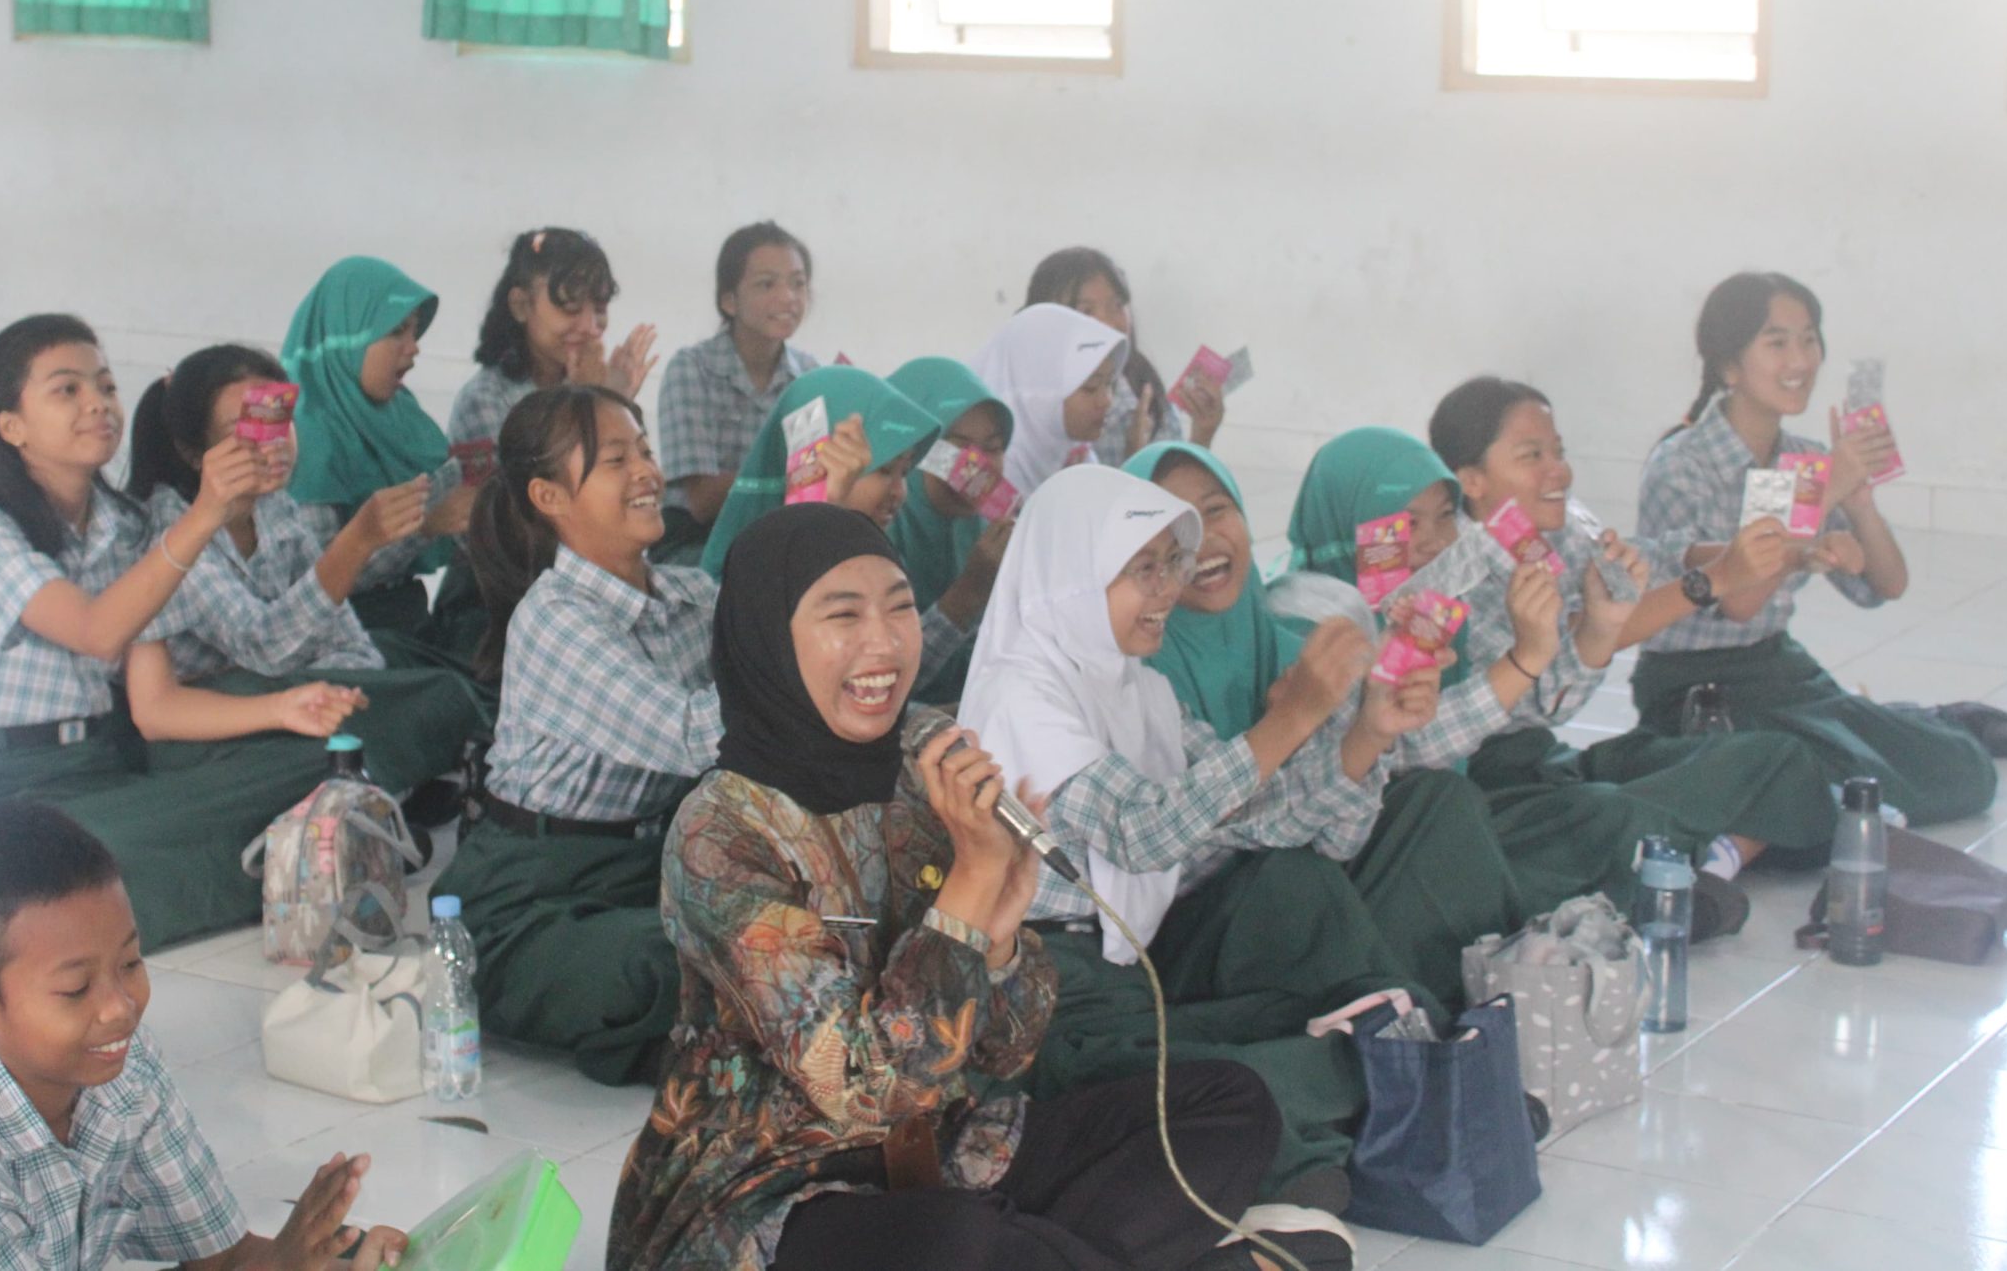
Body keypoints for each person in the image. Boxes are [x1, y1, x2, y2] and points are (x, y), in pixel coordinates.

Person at [609, 502, 1282, 1271]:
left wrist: (998, 939)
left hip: (940, 1151)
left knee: (1230, 1104)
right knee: (959, 1244)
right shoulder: (723, 833)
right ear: (769, 637)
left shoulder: (922, 774)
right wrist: (969, 884)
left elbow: (1002, 1052)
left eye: (900, 608)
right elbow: (861, 1087)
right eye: (844, 615)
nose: (885, 643)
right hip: (774, 1197)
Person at [964, 466, 1451, 1264]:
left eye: (1169, 564)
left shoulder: (1143, 690)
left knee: (1296, 887)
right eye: (1139, 569)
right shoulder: (1024, 694)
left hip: (1141, 963)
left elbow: (1244, 821)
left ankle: (1359, 1092)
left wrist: (1365, 735)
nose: (1164, 590)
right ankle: (1364, 1100)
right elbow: (1143, 832)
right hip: (1052, 991)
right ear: (1074, 574)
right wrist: (1291, 717)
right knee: (1183, 1081)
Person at [0, 314, 335, 953]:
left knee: (316, 761)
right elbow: (95, 631)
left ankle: (84, 898)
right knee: (81, 857)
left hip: (98, 773)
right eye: (67, 390)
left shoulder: (125, 527)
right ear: (11, 425)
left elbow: (157, 707)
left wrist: (282, 708)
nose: (98, 405)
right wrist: (205, 515)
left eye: (105, 388)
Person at [1284, 426, 1783, 928]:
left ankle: (1652, 886)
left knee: (1633, 811)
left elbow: (1544, 704)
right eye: (1407, 524)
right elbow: (1411, 745)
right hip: (1381, 839)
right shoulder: (1307, 624)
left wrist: (1598, 627)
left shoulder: (1439, 601)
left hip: (1474, 800)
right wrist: (1528, 656)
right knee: (1524, 825)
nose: (1434, 542)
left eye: (1443, 518)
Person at [0, 801, 410, 1270]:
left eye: (130, 963)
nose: (120, 1007)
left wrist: (309, 1255)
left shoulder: (123, 1066)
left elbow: (220, 1259)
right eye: (75, 989)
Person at [1127, 441, 1525, 1008]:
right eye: (1165, 527)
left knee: (1440, 802)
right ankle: (1411, 1023)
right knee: (1293, 879)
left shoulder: (1295, 648)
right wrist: (1299, 719)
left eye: (1215, 510)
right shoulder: (1138, 680)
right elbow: (1228, 839)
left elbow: (1342, 838)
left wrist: (1370, 731)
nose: (1201, 540)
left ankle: (1491, 997)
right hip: (1194, 935)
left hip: (1311, 903)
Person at [1632, 273, 2007, 825]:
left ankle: (1922, 724)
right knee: (1813, 787)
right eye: (1777, 342)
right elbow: (1738, 603)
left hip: (1780, 669)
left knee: (1965, 772)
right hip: (1697, 689)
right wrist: (1825, 493)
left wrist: (1858, 501)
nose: (1800, 359)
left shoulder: (1804, 458)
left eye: (1809, 339)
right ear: (1728, 365)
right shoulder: (1681, 465)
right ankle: (1894, 725)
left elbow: (1887, 586)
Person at [1428, 376, 1841, 888]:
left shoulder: (1547, 533)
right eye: (1531, 455)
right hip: (1490, 786)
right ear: (1472, 480)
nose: (1559, 470)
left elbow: (1644, 557)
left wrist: (1759, 555)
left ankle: (1720, 855)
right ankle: (1720, 849)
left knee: (1778, 755)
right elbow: (1548, 697)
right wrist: (1715, 579)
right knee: (1611, 818)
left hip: (1547, 762)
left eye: (1558, 450)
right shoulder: (1456, 579)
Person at [432, 388, 704, 1084]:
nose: (647, 472)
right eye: (617, 460)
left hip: (644, 871)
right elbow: (692, 737)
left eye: (644, 449)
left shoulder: (693, 596)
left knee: (782, 934)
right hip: (526, 894)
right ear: (550, 497)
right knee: (682, 963)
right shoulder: (555, 618)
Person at [125, 343, 494, 796]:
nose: (272, 442)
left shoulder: (275, 506)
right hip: (210, 726)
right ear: (192, 452)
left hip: (289, 694)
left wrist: (325, 677)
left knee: (426, 685)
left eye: (280, 420)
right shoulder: (175, 528)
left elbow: (354, 648)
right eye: (245, 428)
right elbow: (266, 647)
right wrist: (356, 543)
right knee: (429, 698)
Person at [278, 256, 479, 666]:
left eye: (415, 330)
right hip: (341, 643)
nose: (415, 346)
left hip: (408, 620)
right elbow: (314, 582)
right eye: (396, 332)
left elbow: (450, 495)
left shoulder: (401, 414)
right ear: (347, 337)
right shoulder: (303, 436)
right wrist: (425, 527)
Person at [656, 222, 821, 556]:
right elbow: (702, 501)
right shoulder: (692, 369)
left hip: (780, 534)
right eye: (767, 284)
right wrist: (790, 474)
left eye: (798, 284)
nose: (788, 297)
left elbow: (811, 489)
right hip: (696, 539)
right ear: (729, 301)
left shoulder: (809, 375)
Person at [696, 367, 938, 578]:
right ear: (816, 466)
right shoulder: (739, 584)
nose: (899, 492)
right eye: (884, 470)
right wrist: (828, 507)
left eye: (905, 472)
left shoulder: (885, 566)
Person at [882, 357, 1016, 706]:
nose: (977, 465)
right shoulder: (879, 521)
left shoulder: (994, 528)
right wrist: (969, 592)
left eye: (993, 447)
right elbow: (887, 679)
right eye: (956, 445)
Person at [449, 228, 658, 448]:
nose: (591, 327)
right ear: (521, 306)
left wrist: (617, 402)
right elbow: (533, 481)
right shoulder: (486, 399)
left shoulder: (591, 379)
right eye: (571, 307)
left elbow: (636, 476)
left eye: (600, 308)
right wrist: (587, 402)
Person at [1026, 248, 1225, 467]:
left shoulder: (1146, 396)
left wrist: (1201, 437)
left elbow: (1176, 496)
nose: (1110, 323)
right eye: (1086, 311)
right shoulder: (1028, 403)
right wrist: (1133, 462)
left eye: (1118, 305)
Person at [969, 303, 1128, 497]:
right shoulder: (984, 472)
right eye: (1090, 388)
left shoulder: (1078, 455)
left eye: (1110, 384)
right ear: (1039, 393)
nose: (1106, 401)